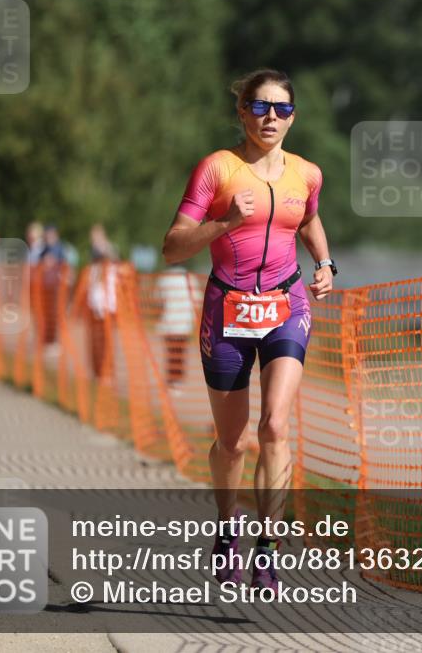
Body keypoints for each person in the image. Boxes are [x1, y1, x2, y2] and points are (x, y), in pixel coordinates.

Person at [161, 68, 335, 593]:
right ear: (242, 112)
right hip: (227, 309)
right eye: (260, 107)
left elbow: (306, 220)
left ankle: (268, 547)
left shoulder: (307, 173)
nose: (271, 118)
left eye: (281, 109)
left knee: (275, 427)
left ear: (293, 117)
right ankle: (226, 530)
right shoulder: (217, 169)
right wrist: (227, 223)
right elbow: (172, 247)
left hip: (286, 304)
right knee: (232, 443)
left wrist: (326, 263)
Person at [156, 265, 199, 393]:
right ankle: (177, 381)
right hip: (183, 323)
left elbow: (158, 300)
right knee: (180, 353)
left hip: (169, 321)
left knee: (171, 353)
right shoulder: (190, 277)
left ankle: (172, 380)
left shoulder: (164, 278)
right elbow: (197, 300)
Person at [86, 224, 118, 379]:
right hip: (96, 306)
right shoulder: (93, 263)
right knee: (96, 341)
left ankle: (107, 370)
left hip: (106, 307)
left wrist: (105, 249)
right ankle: (98, 370)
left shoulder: (109, 258)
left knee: (106, 341)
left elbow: (113, 258)